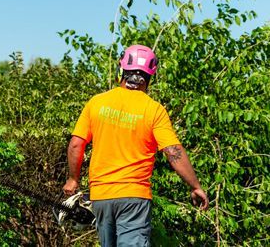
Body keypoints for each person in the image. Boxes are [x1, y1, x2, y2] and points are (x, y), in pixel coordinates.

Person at [63, 44, 209, 246]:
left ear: (121, 71)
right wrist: (195, 186)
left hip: (101, 197)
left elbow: (76, 145)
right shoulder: (154, 110)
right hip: (134, 197)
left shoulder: (97, 103)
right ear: (149, 77)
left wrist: (73, 179)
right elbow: (172, 151)